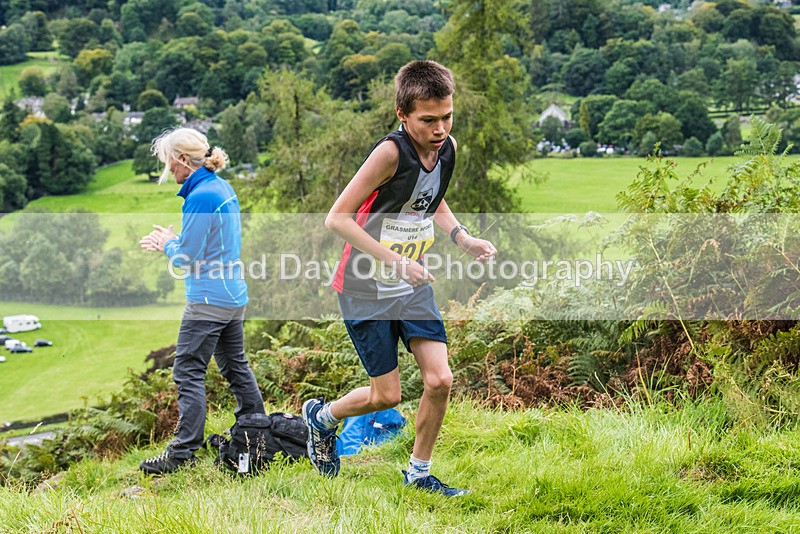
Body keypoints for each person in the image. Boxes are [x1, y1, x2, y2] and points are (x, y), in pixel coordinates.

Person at [302, 60, 496, 496]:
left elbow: (430, 200)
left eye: (447, 116)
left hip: (411, 284)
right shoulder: (390, 153)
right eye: (428, 120)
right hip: (364, 285)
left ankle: (418, 472)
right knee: (386, 395)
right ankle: (321, 417)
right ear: (402, 114)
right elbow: (337, 218)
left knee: (439, 380)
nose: (440, 128)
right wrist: (394, 260)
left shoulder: (447, 148)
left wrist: (462, 238)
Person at [138, 128, 265, 475]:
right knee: (235, 364)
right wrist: (176, 239)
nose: (168, 170)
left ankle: (181, 454)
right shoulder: (218, 187)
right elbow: (211, 244)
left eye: (168, 162)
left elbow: (186, 259)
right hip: (232, 294)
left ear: (182, 160)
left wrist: (165, 244)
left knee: (188, 371)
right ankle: (257, 433)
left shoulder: (200, 196)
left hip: (208, 299)